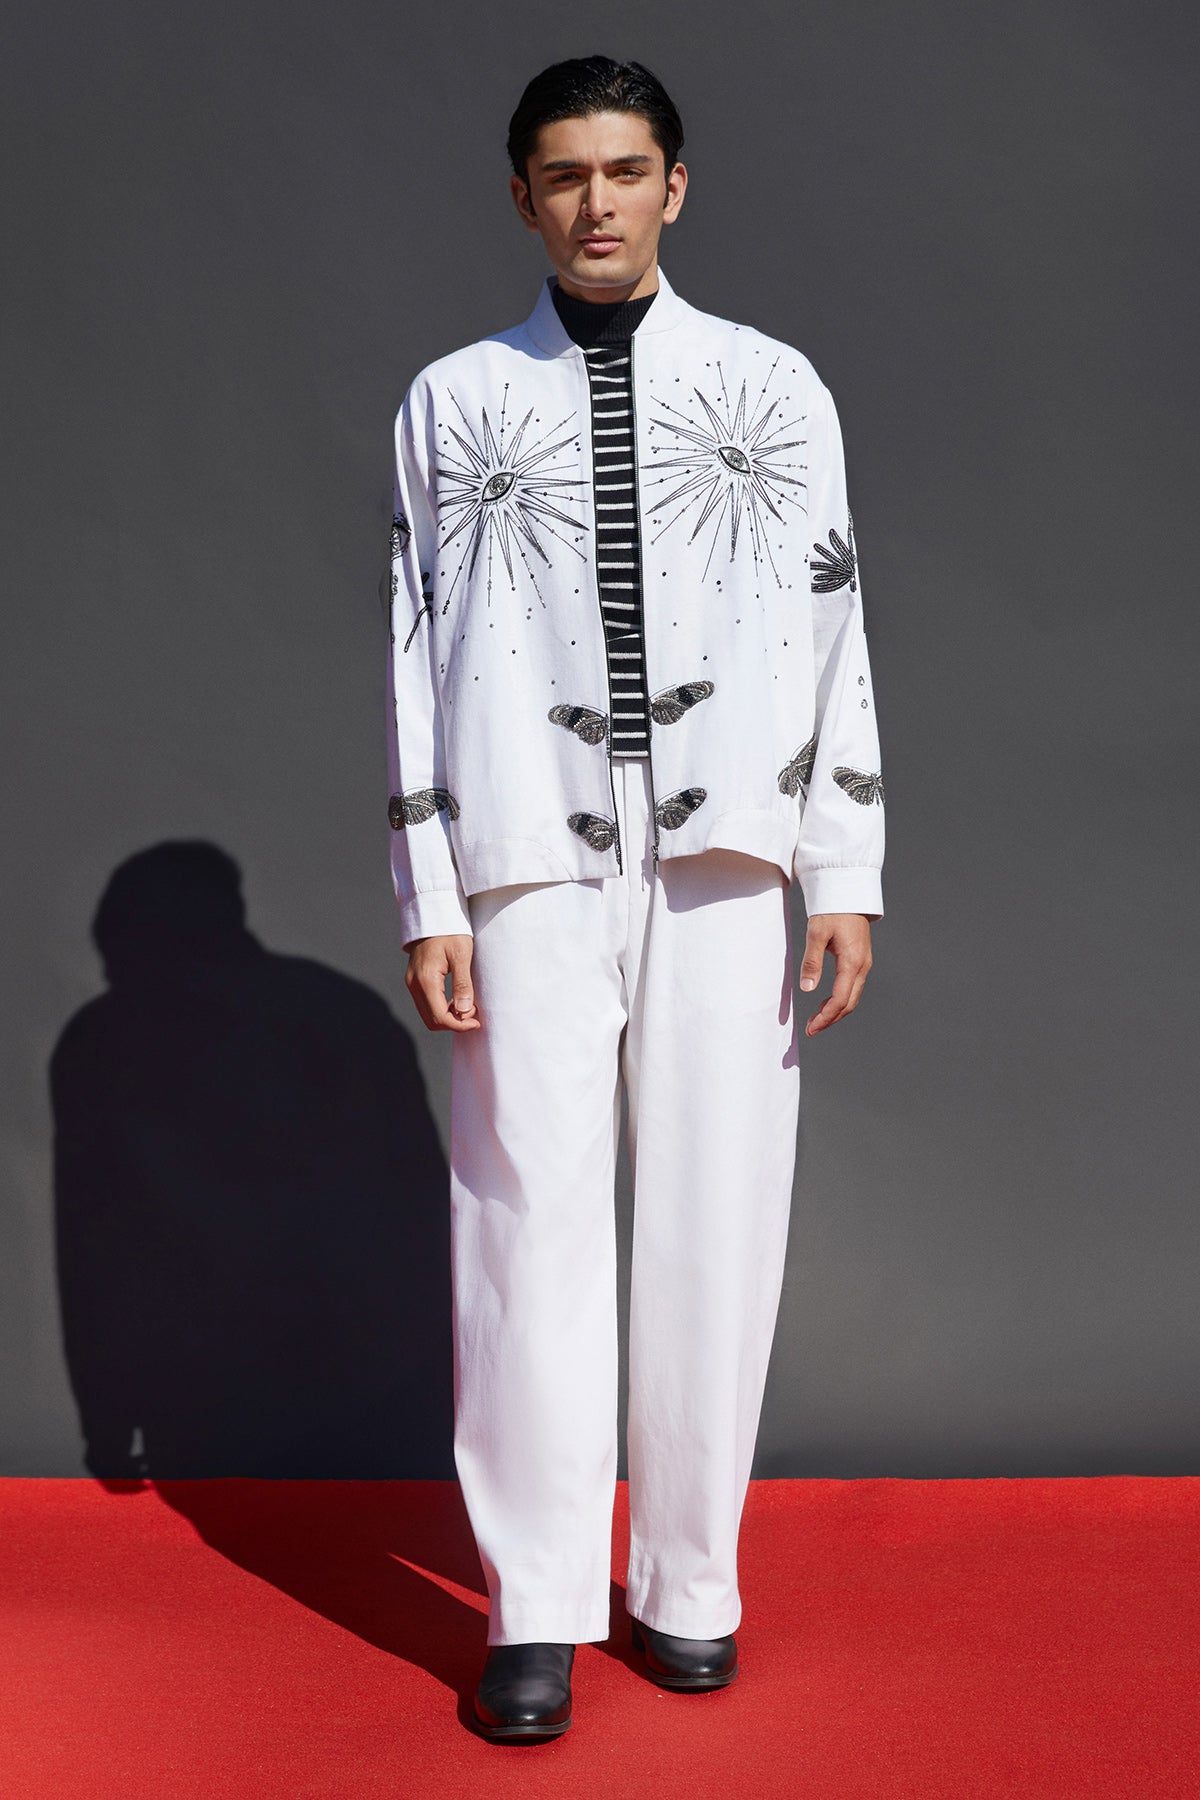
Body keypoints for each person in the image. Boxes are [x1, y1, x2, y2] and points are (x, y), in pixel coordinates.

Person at [384, 55, 885, 1741]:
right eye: (563, 174)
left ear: (675, 184)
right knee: (521, 1220)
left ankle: (688, 1585)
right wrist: (429, 884)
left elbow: (835, 624)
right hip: (526, 855)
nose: (595, 203)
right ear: (521, 197)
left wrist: (844, 862)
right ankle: (532, 1606)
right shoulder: (454, 401)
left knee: (718, 1214)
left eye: (623, 170)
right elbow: (411, 651)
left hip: (731, 853)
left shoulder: (774, 387)